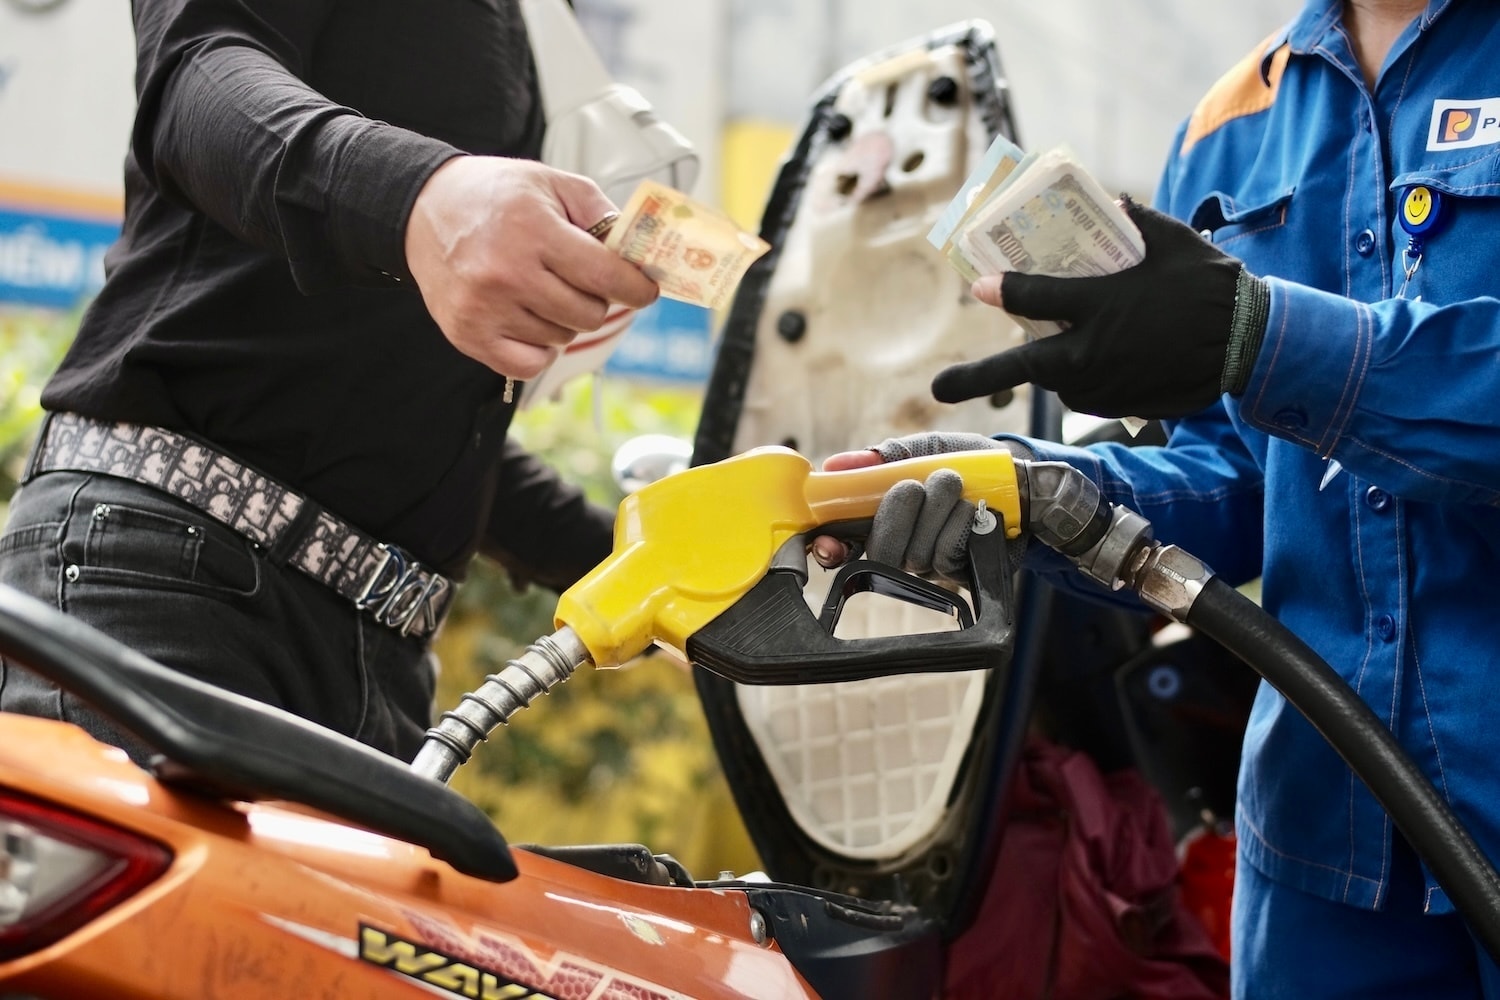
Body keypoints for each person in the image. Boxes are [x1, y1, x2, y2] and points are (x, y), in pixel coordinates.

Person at [821, 0, 1500, 996]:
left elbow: (1263, 347)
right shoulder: (1232, 124)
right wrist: (1019, 492)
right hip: (1324, 854)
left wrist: (1261, 336)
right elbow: (1238, 475)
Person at [0, 1, 659, 765]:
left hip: (382, 669)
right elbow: (197, 67)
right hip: (165, 580)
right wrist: (418, 197)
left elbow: (381, 412)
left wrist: (652, 566)